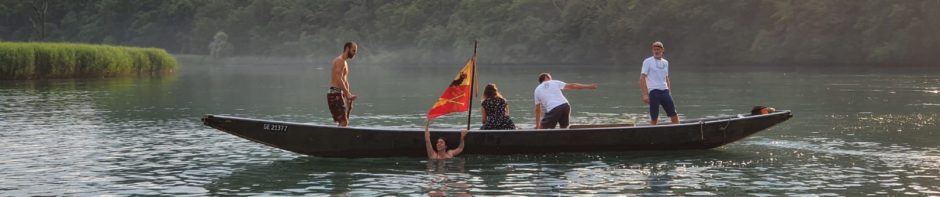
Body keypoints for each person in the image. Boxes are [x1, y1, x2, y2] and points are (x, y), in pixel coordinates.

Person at [533, 73, 598, 129]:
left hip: (554, 109)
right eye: (550, 77)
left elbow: (537, 109)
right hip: (565, 106)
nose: (551, 79)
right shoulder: (555, 82)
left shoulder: (537, 90)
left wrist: (537, 125)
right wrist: (589, 86)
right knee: (564, 128)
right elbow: (573, 86)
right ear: (546, 77)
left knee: (542, 129)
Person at [639, 41, 680, 125]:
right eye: (654, 50)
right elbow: (642, 78)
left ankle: (679, 131)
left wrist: (669, 93)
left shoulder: (666, 62)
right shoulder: (647, 61)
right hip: (654, 92)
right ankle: (652, 133)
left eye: (658, 49)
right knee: (654, 117)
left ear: (662, 50)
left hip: (665, 91)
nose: (656, 51)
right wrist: (645, 95)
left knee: (674, 114)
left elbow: (666, 78)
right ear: (652, 50)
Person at [328, 41, 358, 127]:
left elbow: (345, 81)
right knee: (344, 121)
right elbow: (338, 79)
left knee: (343, 121)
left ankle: (338, 137)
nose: (355, 53)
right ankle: (338, 139)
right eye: (353, 50)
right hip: (335, 93)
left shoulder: (344, 62)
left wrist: (348, 97)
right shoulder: (340, 61)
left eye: (355, 51)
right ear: (347, 49)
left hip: (339, 93)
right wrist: (347, 94)